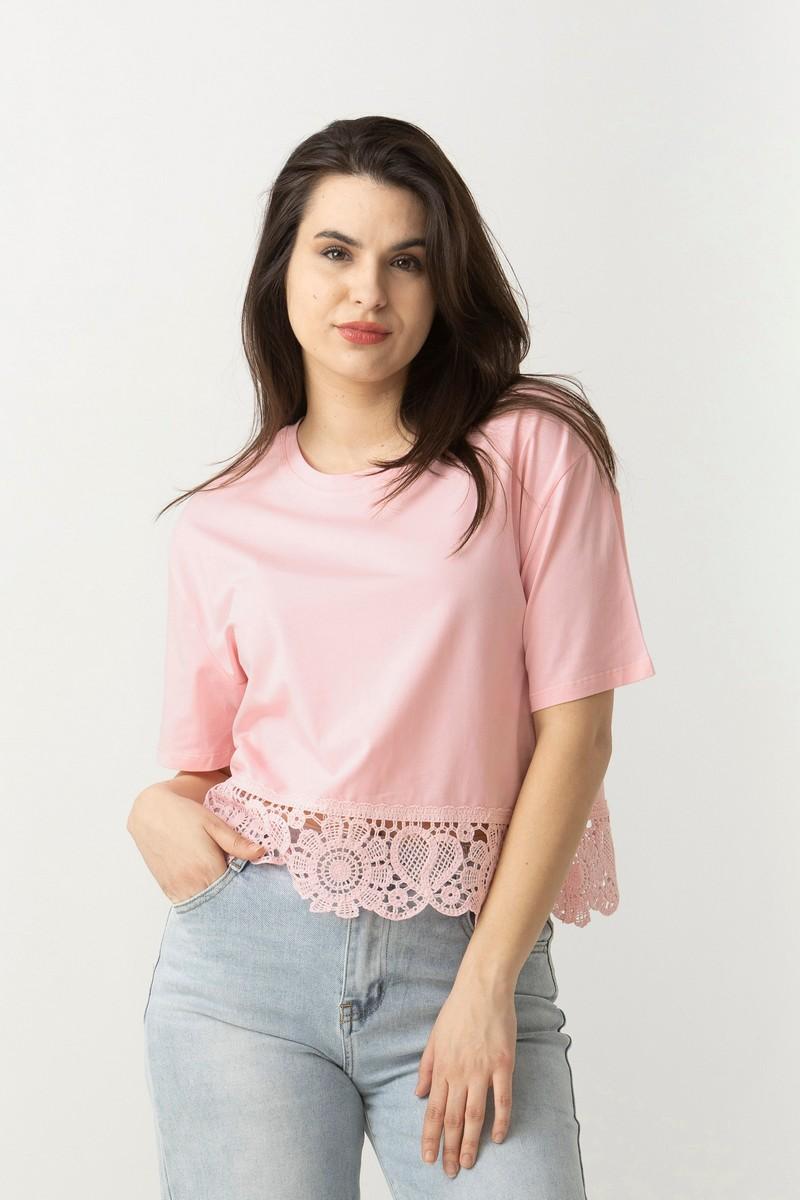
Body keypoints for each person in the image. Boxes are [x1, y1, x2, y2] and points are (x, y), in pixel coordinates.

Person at [127, 115, 656, 1199]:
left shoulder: (529, 448)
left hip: (467, 959)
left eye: (405, 261)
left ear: (441, 281)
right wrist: (152, 808)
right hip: (242, 981)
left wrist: (486, 984)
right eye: (335, 251)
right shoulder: (222, 522)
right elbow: (202, 773)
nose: (367, 291)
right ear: (282, 271)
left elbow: (577, 735)